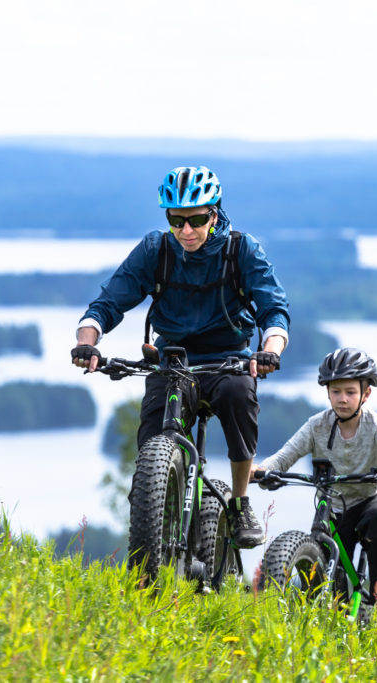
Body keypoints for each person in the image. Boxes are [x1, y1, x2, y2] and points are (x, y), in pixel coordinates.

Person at [72, 165, 290, 548]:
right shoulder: (157, 250)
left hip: (229, 359)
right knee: (151, 443)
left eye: (196, 219)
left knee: (240, 398)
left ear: (214, 213)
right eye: (176, 219)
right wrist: (87, 342)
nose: (186, 230)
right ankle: (153, 506)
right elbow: (108, 302)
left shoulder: (241, 250)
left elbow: (274, 309)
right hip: (172, 361)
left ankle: (240, 502)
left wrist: (268, 351)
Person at [252, 347, 377, 617]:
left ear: (366, 393)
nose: (342, 399)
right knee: (321, 550)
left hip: (375, 496)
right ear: (327, 392)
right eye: (335, 392)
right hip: (335, 504)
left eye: (351, 392)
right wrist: (261, 470)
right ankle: (323, 614)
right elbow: (284, 457)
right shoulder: (317, 425)